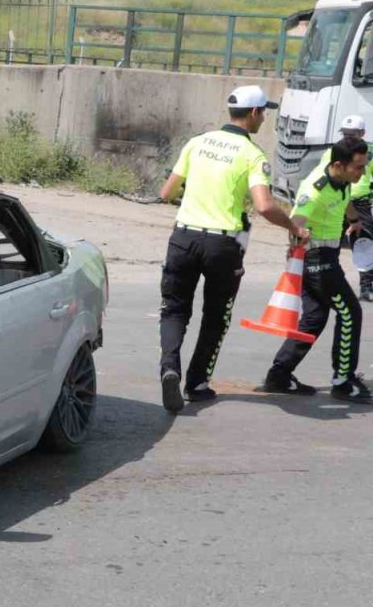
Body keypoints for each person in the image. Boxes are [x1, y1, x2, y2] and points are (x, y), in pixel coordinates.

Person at [157, 85, 311, 414]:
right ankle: (197, 383)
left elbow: (167, 192)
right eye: (263, 112)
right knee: (216, 316)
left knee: (174, 310)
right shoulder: (252, 155)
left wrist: (195, 198)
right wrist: (294, 227)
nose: (264, 118)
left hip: (183, 237)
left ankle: (170, 368)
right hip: (222, 245)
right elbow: (264, 206)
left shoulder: (197, 142)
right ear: (253, 113)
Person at [262, 137, 373, 402]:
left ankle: (279, 375)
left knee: (314, 318)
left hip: (327, 256)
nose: (362, 172)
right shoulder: (315, 189)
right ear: (339, 165)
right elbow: (297, 220)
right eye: (358, 167)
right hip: (317, 260)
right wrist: (296, 238)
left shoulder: (344, 179)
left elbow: (345, 198)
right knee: (350, 312)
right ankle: (343, 381)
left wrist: (355, 220)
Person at [323, 116, 373, 301]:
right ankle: (329, 285)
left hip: (359, 204)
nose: (347, 137)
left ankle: (366, 287)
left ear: (362, 134)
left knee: (364, 246)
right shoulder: (334, 152)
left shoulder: (368, 154)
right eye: (345, 133)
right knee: (332, 243)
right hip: (337, 201)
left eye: (352, 134)